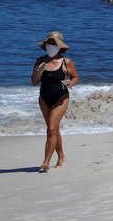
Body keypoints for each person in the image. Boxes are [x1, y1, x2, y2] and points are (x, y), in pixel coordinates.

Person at [31, 31, 80, 172]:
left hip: (61, 98)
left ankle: (46, 162)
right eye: (49, 43)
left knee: (51, 129)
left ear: (59, 46)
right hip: (44, 99)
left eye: (54, 44)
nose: (51, 46)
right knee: (53, 129)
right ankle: (61, 156)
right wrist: (36, 73)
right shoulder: (40, 61)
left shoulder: (66, 62)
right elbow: (34, 83)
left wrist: (71, 83)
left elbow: (76, 77)